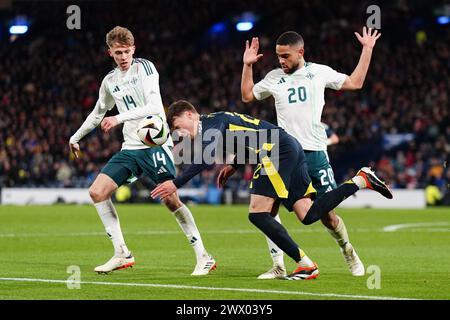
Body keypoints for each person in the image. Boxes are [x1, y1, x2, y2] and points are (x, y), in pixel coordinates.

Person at [151, 100, 392, 280]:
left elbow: (204, 160)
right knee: (307, 215)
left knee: (258, 213)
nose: (179, 132)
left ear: (190, 114)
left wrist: (175, 183)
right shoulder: (217, 121)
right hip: (287, 147)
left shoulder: (210, 124)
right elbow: (246, 137)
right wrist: (234, 166)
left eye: (177, 125)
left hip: (275, 152)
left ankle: (305, 264)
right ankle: (360, 180)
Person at [69, 26, 215, 275]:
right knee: (97, 192)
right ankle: (121, 253)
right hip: (130, 147)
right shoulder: (110, 81)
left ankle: (204, 256)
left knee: (170, 198)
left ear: (133, 49)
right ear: (110, 53)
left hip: (154, 143)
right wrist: (76, 136)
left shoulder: (145, 68)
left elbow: (155, 106)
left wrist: (118, 119)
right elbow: (97, 113)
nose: (123, 57)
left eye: (127, 51)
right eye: (118, 53)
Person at [240, 28, 380, 278]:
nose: (281, 61)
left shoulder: (319, 72)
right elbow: (248, 95)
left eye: (286, 56)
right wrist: (247, 66)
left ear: (300, 52)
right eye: (278, 56)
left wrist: (367, 49)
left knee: (328, 217)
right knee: (268, 209)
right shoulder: (273, 78)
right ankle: (279, 265)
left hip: (315, 152)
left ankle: (347, 249)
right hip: (285, 155)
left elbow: (355, 82)